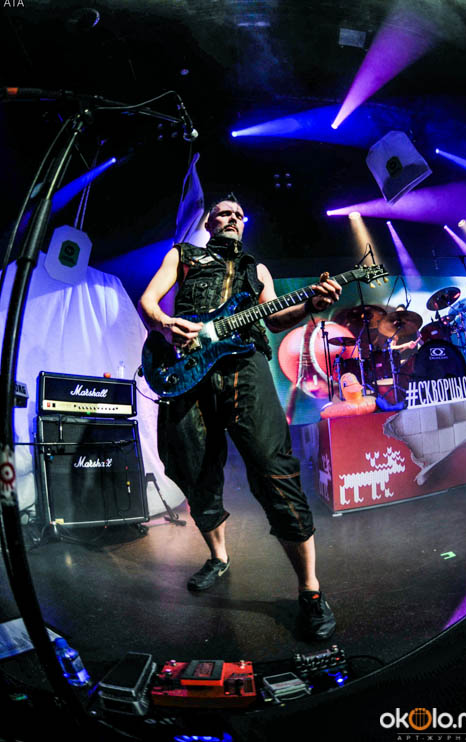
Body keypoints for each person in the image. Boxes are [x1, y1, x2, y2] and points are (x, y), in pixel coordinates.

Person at [138, 196, 342, 640]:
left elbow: (276, 318)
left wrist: (311, 304)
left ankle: (310, 590)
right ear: (210, 223)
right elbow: (148, 301)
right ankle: (218, 557)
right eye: (223, 214)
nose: (231, 218)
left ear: (244, 224)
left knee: (274, 469)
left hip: (245, 369)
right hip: (189, 369)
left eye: (237, 214)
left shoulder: (257, 269)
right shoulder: (182, 255)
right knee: (194, 469)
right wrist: (167, 323)